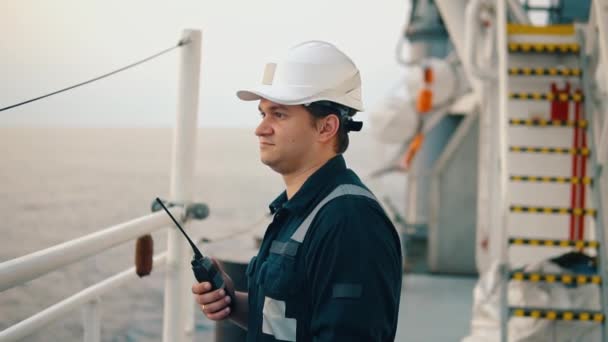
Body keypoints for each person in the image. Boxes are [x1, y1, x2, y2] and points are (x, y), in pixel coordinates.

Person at [192, 40, 402, 341]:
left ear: (326, 128)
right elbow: (292, 319)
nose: (261, 128)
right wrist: (232, 303)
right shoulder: (299, 211)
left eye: (278, 114)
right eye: (262, 114)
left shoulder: (350, 222)